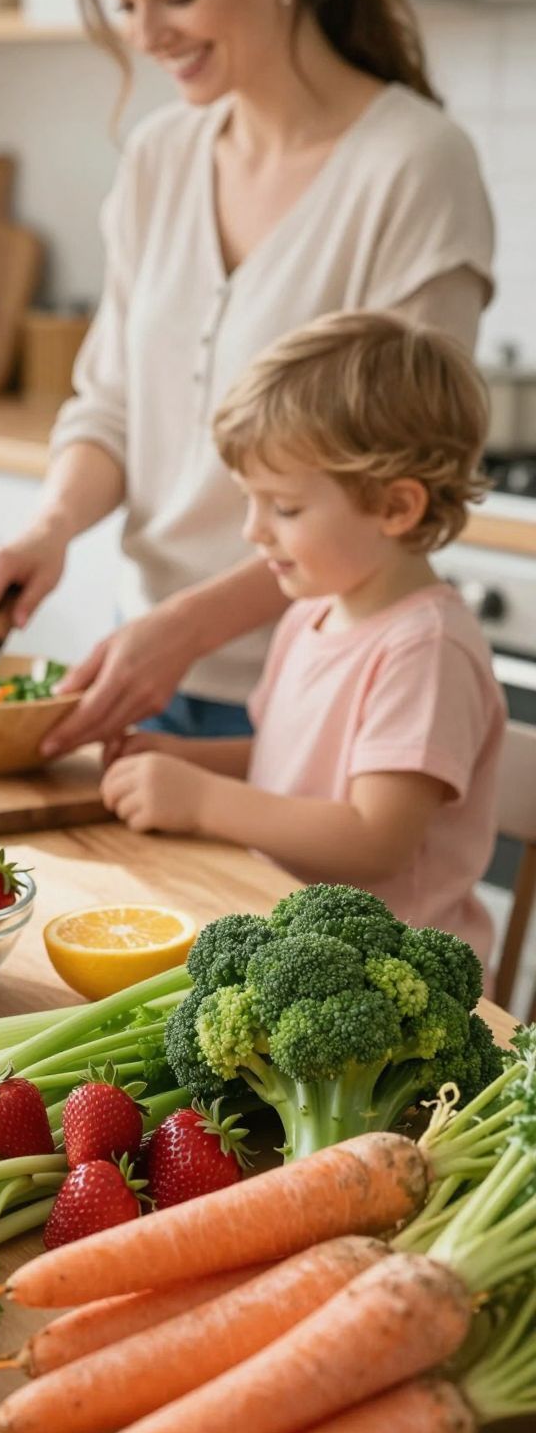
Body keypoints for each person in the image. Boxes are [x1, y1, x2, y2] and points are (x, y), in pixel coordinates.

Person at [0, 0, 495, 756]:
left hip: (326, 680)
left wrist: (190, 629)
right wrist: (50, 528)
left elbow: (403, 474)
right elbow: (111, 407)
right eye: (126, 3)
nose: (147, 33)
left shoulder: (414, 167)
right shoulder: (162, 157)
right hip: (147, 665)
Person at [100, 312, 505, 963]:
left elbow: (376, 838)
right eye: (250, 500)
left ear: (397, 507)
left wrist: (202, 800)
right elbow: (286, 762)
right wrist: (186, 758)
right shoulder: (312, 612)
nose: (254, 531)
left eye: (284, 507)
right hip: (291, 944)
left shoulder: (425, 650)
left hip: (392, 982)